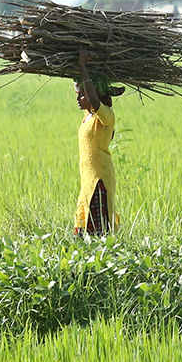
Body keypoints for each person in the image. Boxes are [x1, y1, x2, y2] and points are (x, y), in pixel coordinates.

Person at [75, 47, 124, 236]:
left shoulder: (105, 116)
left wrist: (82, 65)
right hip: (87, 177)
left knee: (99, 230)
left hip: (100, 177)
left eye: (82, 95)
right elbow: (85, 94)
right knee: (84, 223)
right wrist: (78, 70)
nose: (79, 99)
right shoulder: (87, 115)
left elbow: (93, 100)